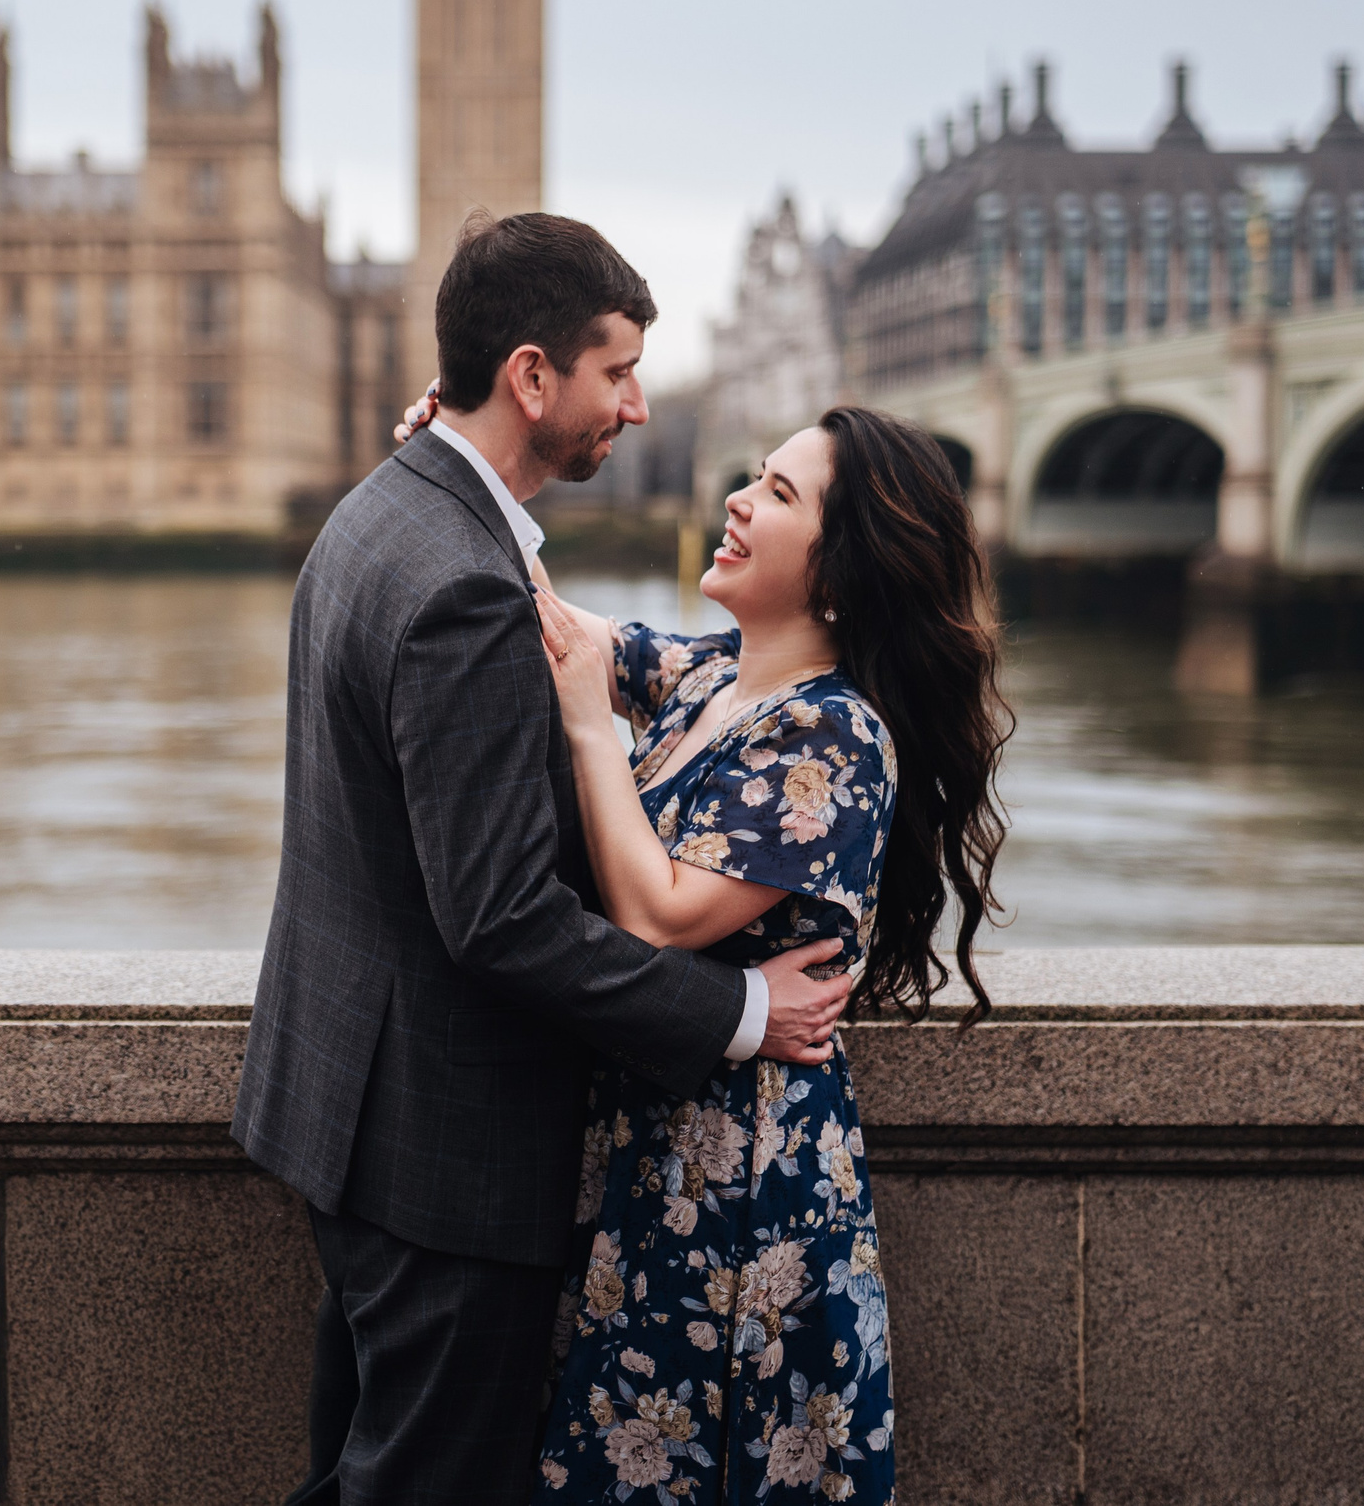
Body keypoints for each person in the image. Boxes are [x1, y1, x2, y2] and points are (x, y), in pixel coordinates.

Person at [232, 212, 857, 1506]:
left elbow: (571, 638)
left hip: (351, 1113)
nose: (637, 405)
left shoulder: (387, 513)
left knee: (361, 1471)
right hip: (444, 1158)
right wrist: (743, 1009)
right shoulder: (460, 577)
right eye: (617, 369)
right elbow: (503, 915)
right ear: (532, 375)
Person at [525, 405, 1010, 1505]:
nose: (737, 502)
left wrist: (592, 732)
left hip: (739, 1188)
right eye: (754, 478)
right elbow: (553, 625)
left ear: (840, 577)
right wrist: (458, 451)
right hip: (649, 1157)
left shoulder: (834, 734)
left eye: (778, 496)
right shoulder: (709, 679)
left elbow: (655, 914)